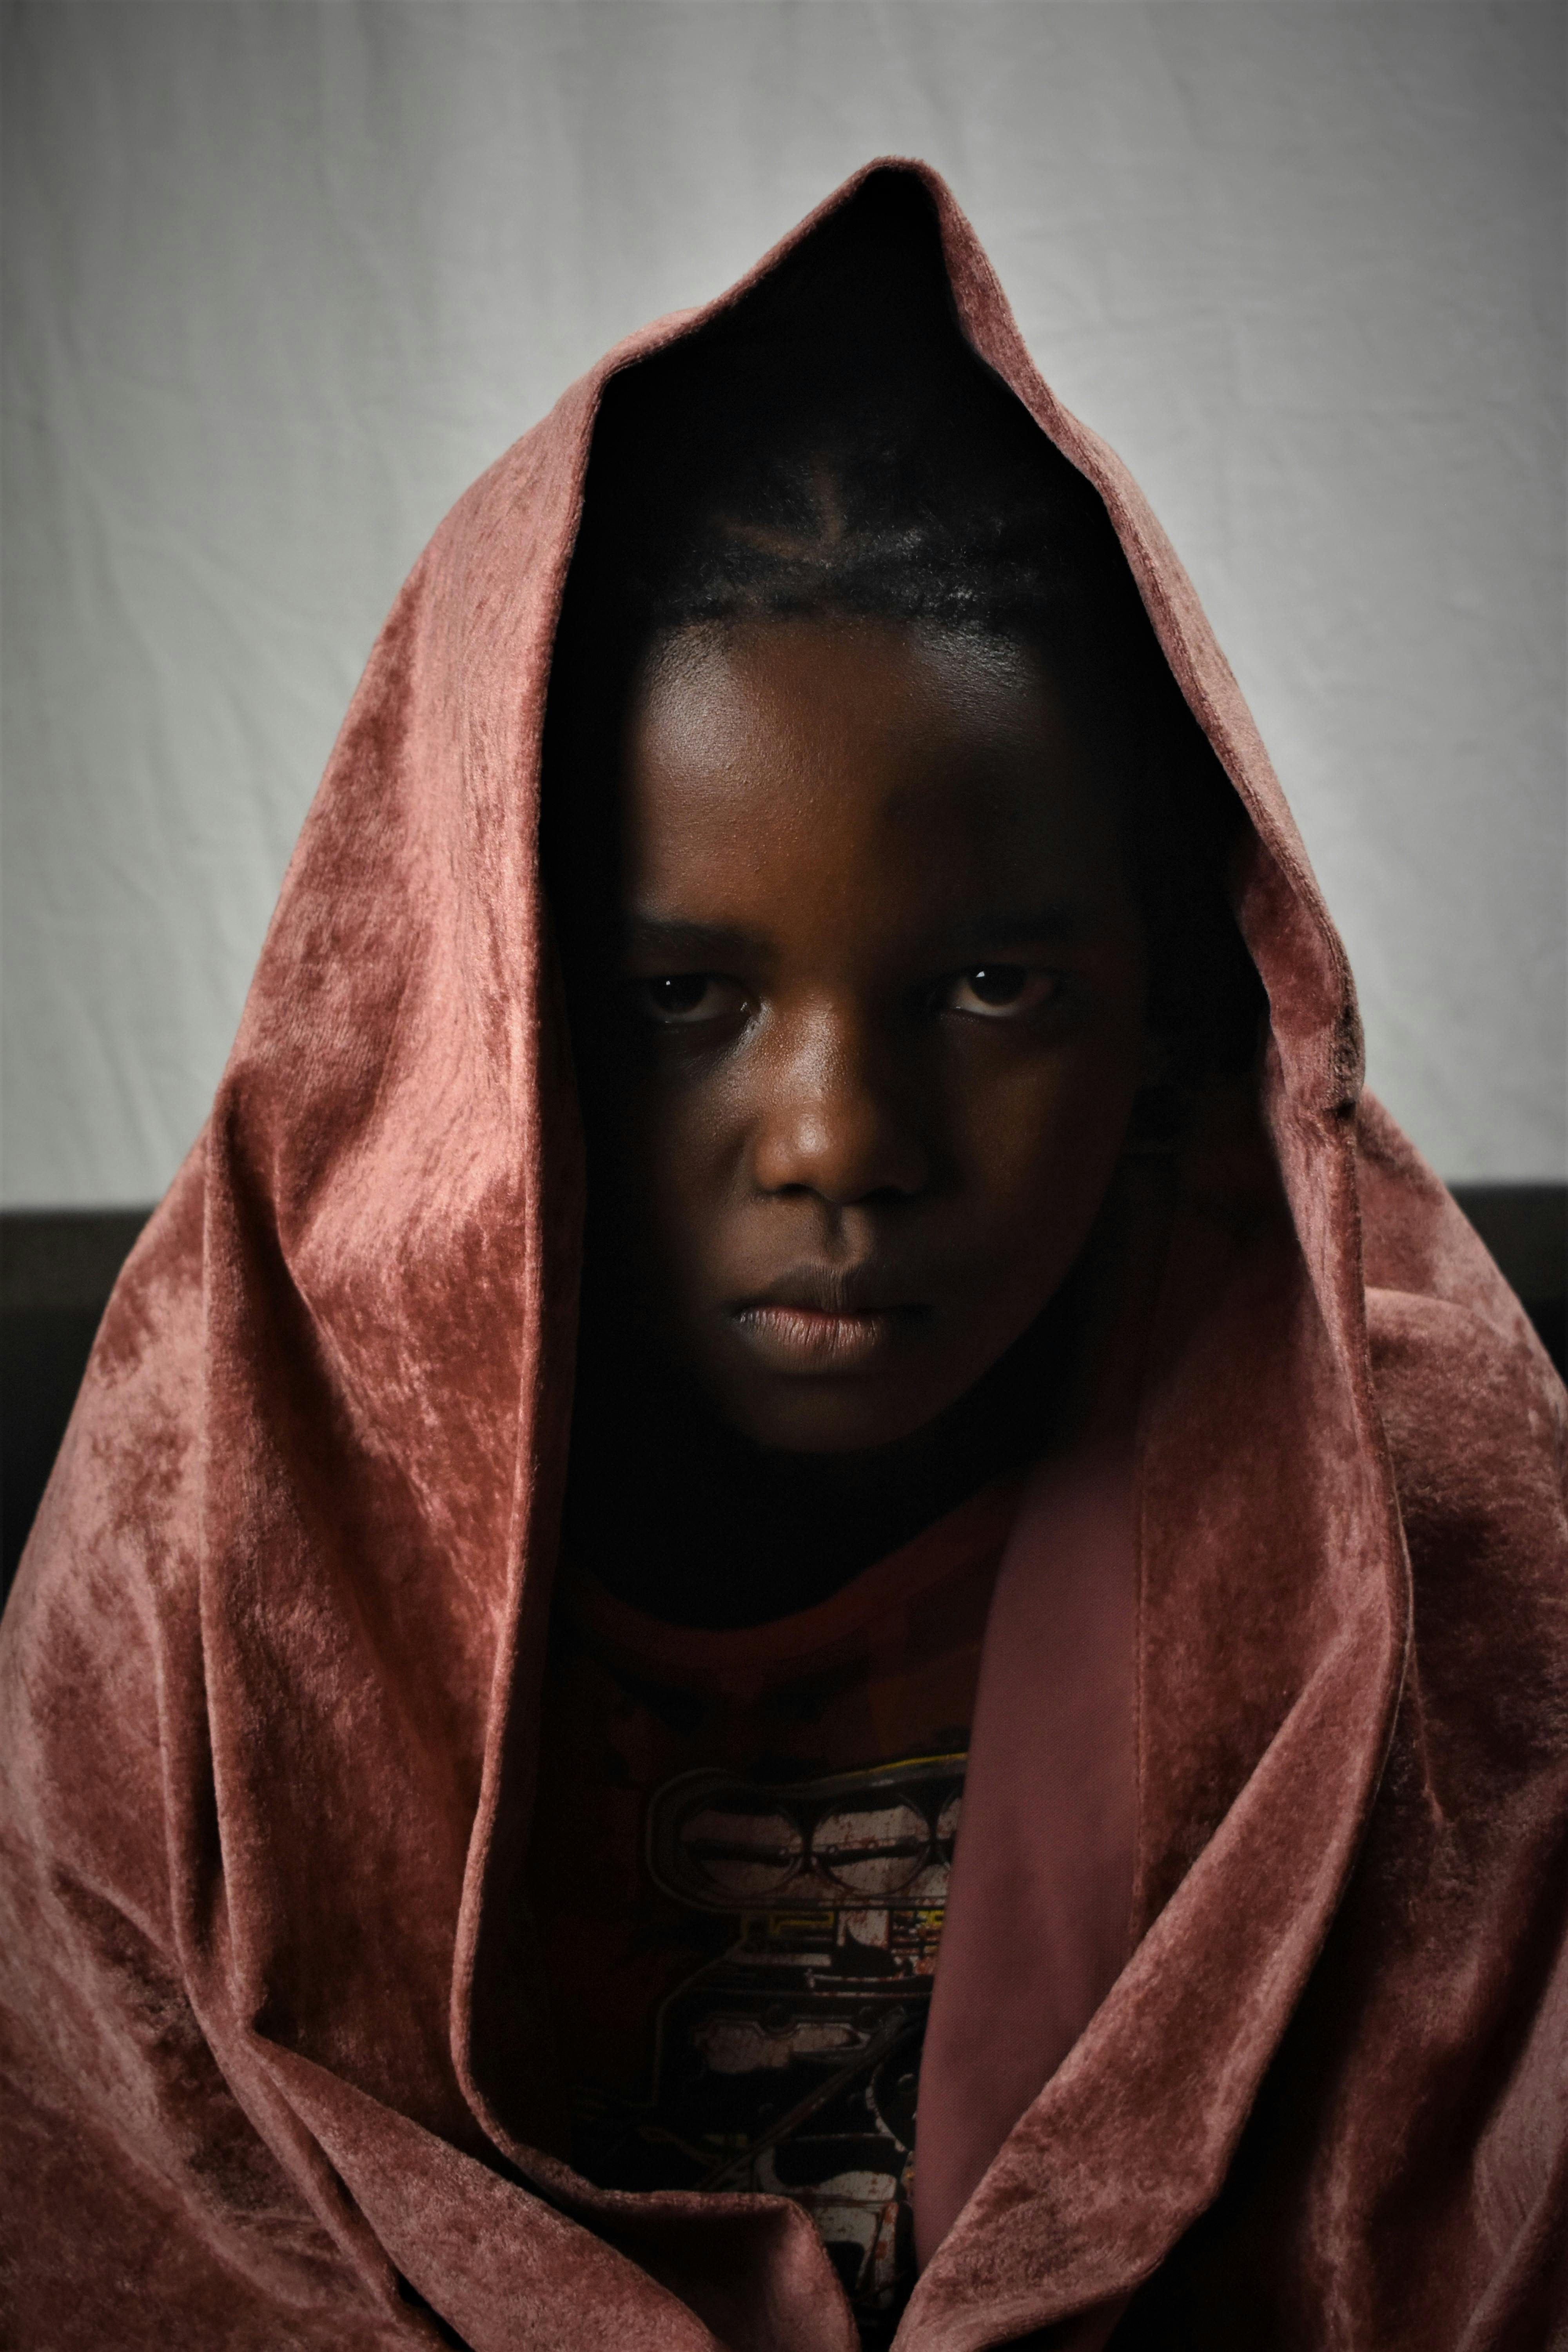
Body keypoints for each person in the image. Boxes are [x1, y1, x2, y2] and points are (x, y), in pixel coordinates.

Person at [1, 162, 1563, 2352]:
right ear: (482, 1022)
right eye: (673, 999)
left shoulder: (1417, 1508)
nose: (841, 1145)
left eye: (998, 990)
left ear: (1177, 1009)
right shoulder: (221, 1506)